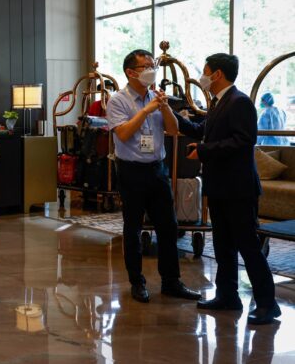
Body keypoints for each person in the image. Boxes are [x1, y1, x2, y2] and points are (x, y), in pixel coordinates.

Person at [178, 53, 280, 325]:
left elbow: (243, 141)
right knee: (223, 245)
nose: (202, 75)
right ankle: (227, 296)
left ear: (218, 74)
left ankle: (268, 305)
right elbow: (202, 130)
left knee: (248, 246)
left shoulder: (240, 102)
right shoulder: (219, 102)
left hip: (239, 188)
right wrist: (170, 115)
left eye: (205, 70)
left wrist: (203, 151)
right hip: (220, 187)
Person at [106, 49, 201, 303]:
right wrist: (146, 111)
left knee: (169, 227)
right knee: (133, 228)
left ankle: (172, 281)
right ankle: (137, 282)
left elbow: (173, 131)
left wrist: (165, 107)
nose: (152, 70)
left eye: (152, 65)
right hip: (131, 170)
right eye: (146, 66)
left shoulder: (157, 97)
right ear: (131, 72)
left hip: (157, 169)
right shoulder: (117, 100)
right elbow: (123, 134)